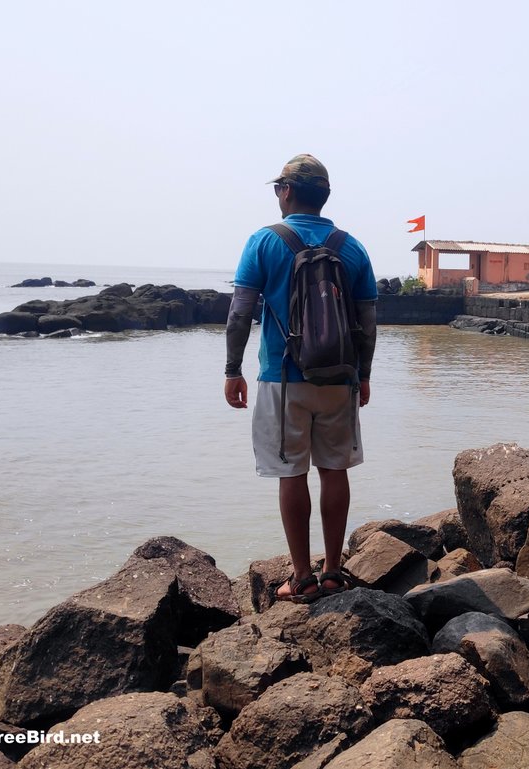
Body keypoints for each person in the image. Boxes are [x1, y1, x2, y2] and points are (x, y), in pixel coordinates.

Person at [224, 154, 378, 603]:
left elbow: (239, 314)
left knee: (290, 474)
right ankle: (332, 572)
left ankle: (301, 577)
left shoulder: (263, 242)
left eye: (277, 189)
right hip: (340, 377)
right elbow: (368, 323)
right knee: (334, 470)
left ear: (286, 191)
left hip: (282, 377)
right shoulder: (352, 247)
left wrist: (233, 370)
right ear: (325, 195)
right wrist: (364, 376)